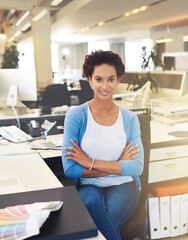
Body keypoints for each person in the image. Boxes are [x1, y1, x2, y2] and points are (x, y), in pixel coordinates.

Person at [62, 50, 144, 240]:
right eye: (98, 79)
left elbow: (136, 167)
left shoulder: (130, 119)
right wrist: (119, 164)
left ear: (118, 80)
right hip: (90, 185)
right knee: (93, 205)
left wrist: (89, 162)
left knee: (99, 221)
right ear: (89, 79)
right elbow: (70, 169)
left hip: (124, 185)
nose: (105, 86)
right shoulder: (76, 116)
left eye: (111, 79)